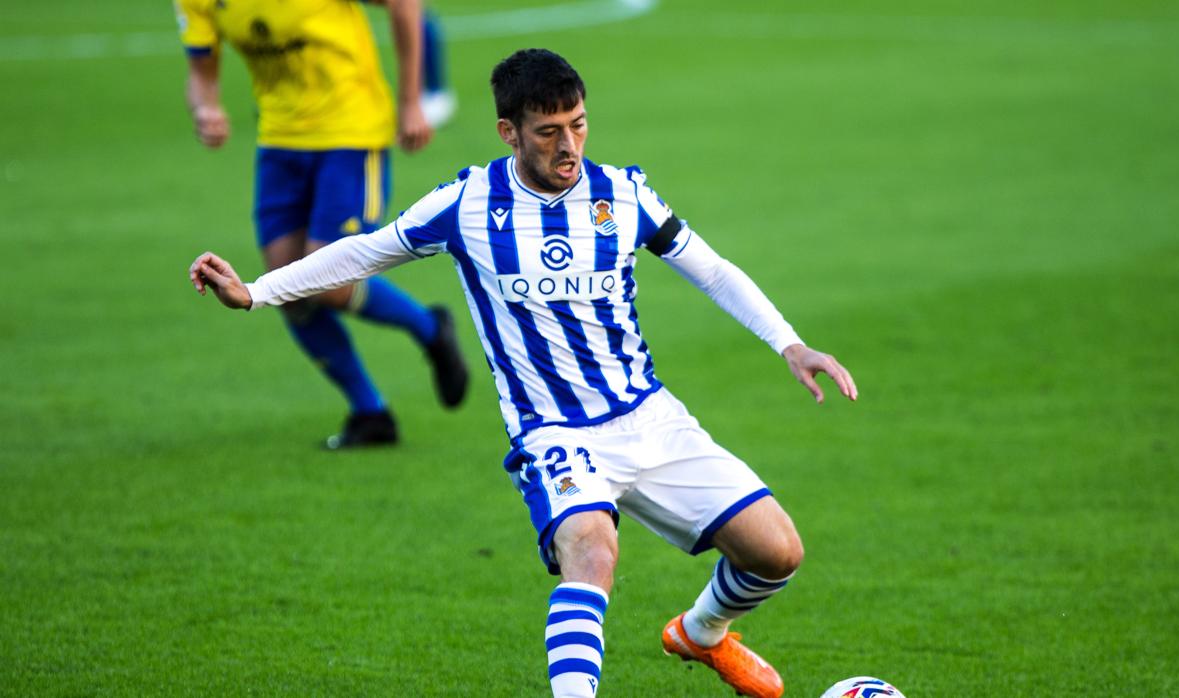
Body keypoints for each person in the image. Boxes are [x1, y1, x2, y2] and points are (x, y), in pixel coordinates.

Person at [189, 48, 857, 698]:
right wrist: (256, 291)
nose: (569, 145)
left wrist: (789, 344)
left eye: (579, 124)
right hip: (553, 432)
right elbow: (365, 251)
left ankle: (702, 633)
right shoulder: (468, 204)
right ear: (509, 132)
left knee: (777, 553)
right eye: (549, 132)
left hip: (649, 416)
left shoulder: (622, 195)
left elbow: (709, 268)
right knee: (591, 553)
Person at [175, 0, 468, 448]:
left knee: (326, 280)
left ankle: (429, 329)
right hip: (278, 138)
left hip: (351, 132)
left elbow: (405, 5)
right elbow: (200, 72)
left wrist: (412, 102)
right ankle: (370, 413)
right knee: (287, 289)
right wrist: (205, 108)